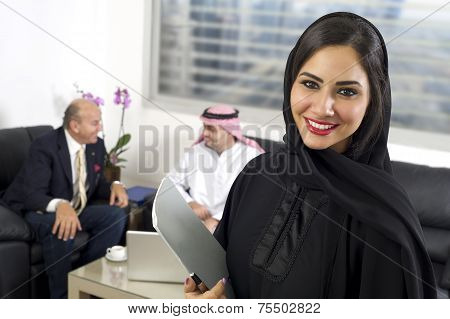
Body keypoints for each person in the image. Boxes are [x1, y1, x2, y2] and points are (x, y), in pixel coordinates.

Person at [185, 12, 437, 298]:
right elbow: (218, 283)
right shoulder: (255, 176)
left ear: (373, 102)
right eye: (310, 84)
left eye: (346, 91)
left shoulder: (385, 224)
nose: (322, 107)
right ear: (290, 83)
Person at [2, 99, 128, 298]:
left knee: (115, 215)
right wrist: (60, 205)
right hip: (35, 208)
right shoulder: (44, 146)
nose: (100, 127)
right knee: (64, 224)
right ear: (74, 125)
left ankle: (88, 282)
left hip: (73, 207)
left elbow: (94, 184)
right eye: (95, 123)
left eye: (100, 121)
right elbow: (32, 194)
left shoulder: (96, 145)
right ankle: (61, 298)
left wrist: (115, 185)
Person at [169, 105, 264, 232]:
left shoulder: (252, 156)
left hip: (231, 224)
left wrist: (217, 219)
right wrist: (190, 203)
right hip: (191, 219)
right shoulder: (196, 151)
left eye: (211, 129)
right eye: (204, 127)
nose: (205, 133)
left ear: (229, 131)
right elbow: (171, 182)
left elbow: (253, 198)